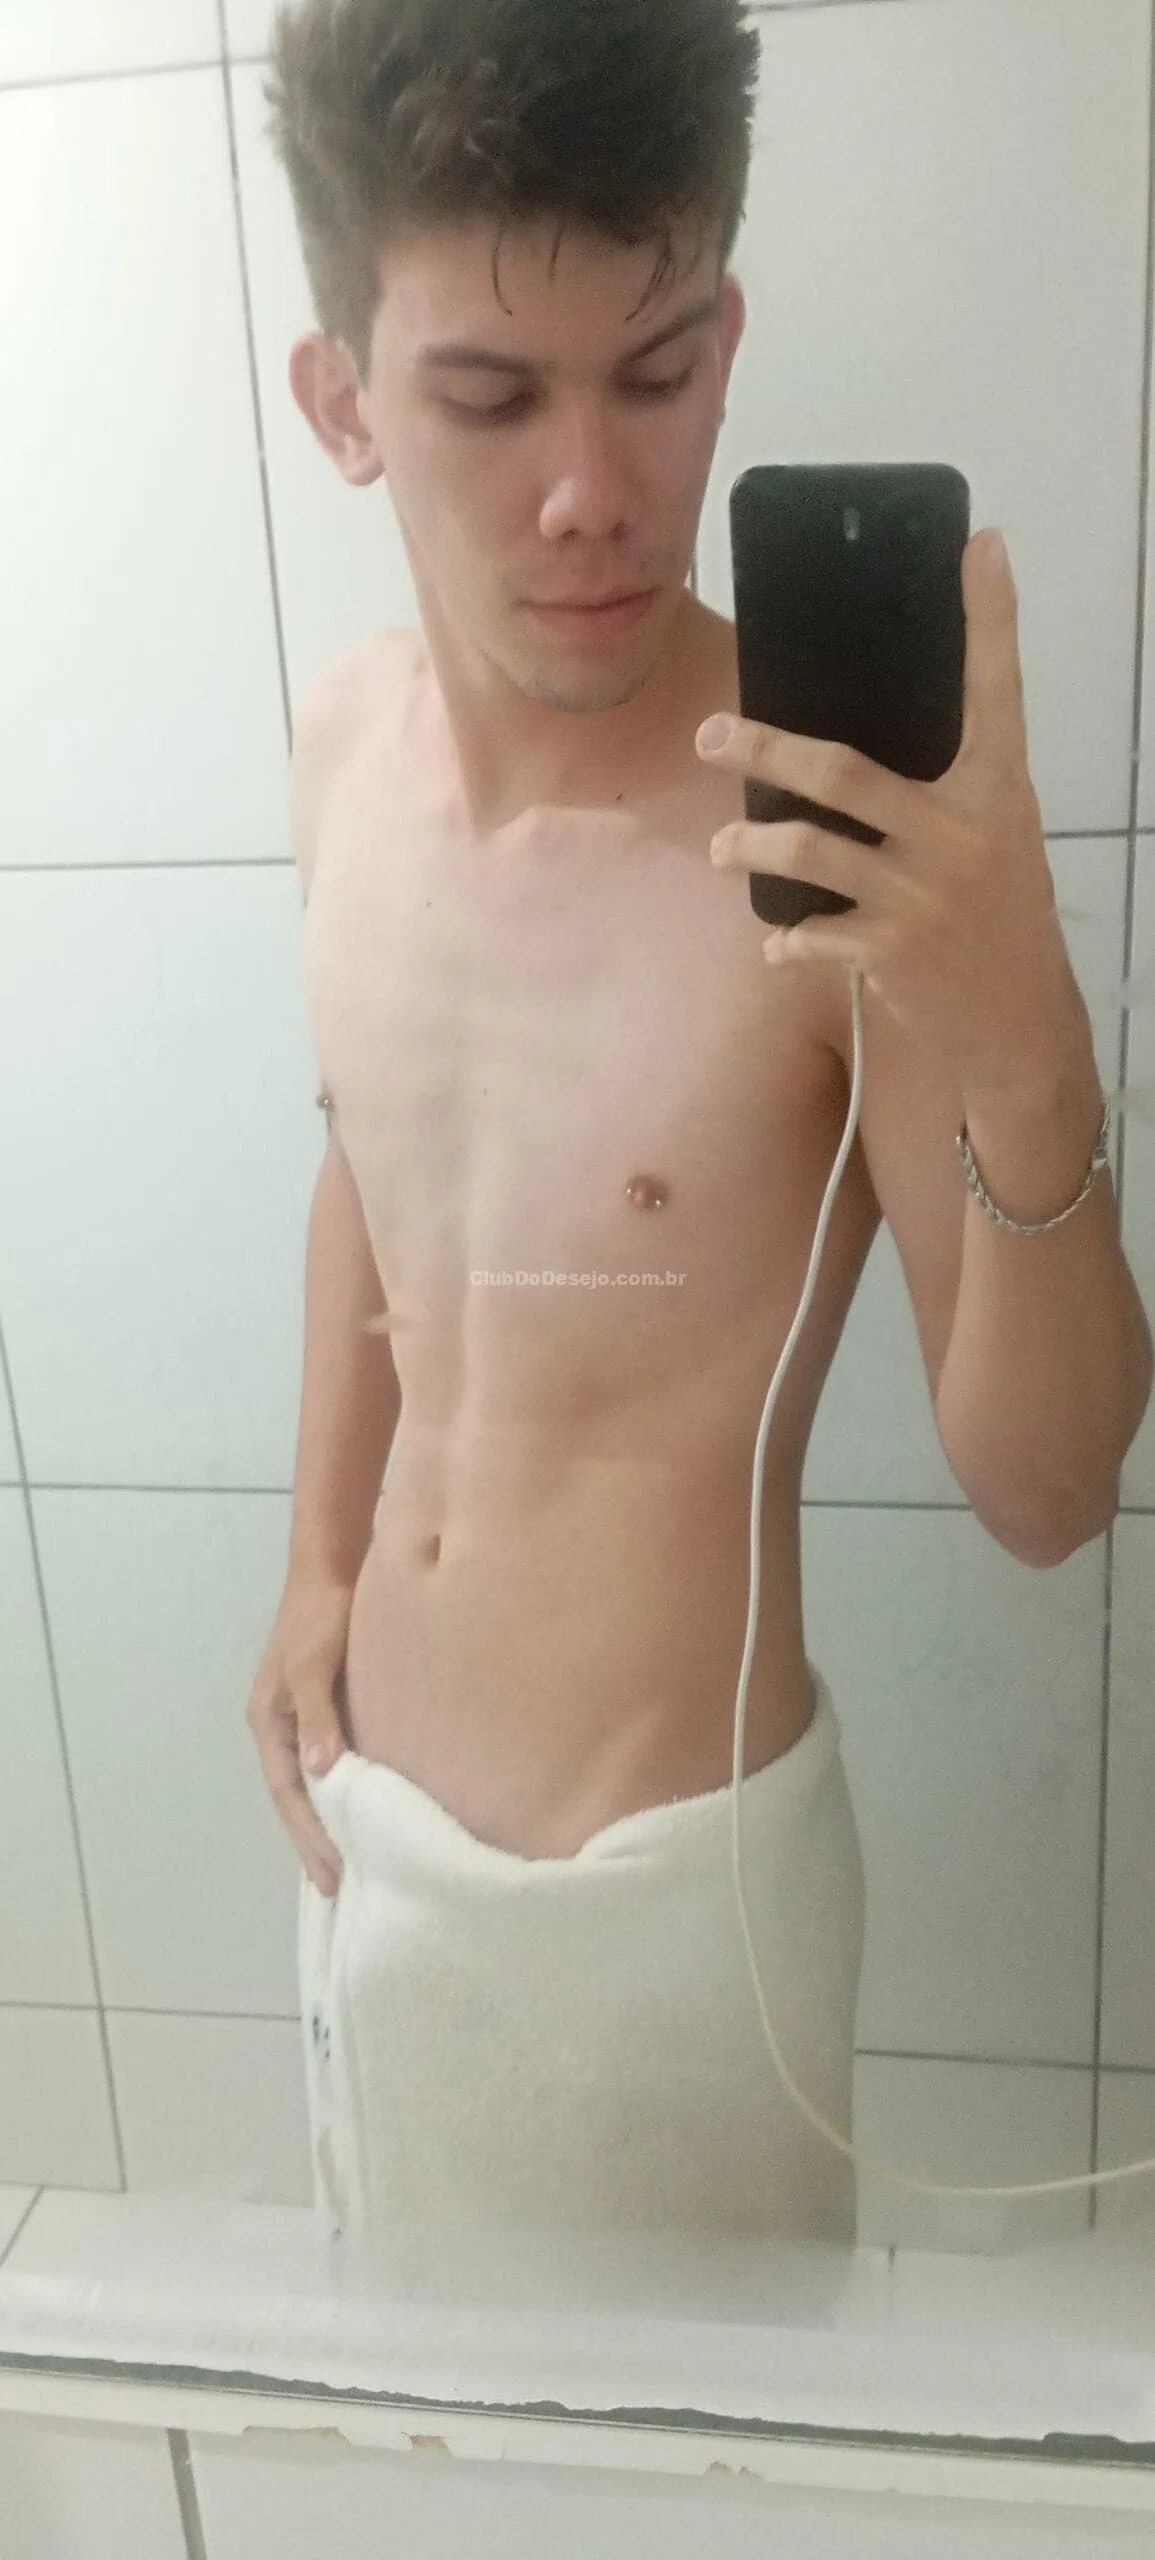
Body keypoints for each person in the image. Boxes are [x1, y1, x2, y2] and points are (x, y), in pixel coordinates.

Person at [243, 0, 1150, 2248]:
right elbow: (370, 1150)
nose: (591, 490)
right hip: (364, 1843)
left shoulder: (830, 833)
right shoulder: (340, 747)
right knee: (385, 2424)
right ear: (343, 403)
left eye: (652, 373)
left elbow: (1045, 1492)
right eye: (490, 398)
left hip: (666, 1912)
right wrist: (314, 1554)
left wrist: (1024, 1032)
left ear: (725, 341)